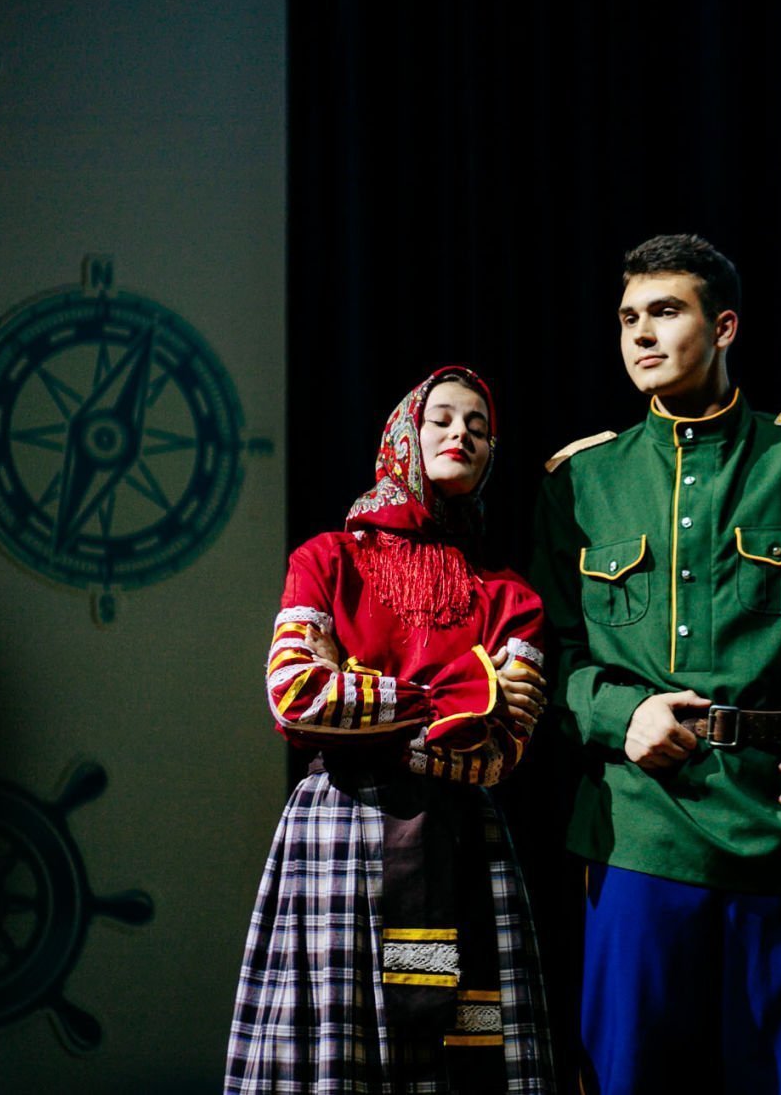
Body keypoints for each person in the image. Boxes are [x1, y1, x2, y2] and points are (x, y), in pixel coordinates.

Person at [529, 234, 781, 1094]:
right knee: (630, 1079)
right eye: (628, 317)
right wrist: (622, 713)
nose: (640, 334)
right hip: (639, 830)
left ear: (724, 326)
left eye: (665, 312)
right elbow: (547, 653)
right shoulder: (581, 479)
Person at [226, 367, 556, 1094]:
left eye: (478, 427)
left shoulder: (512, 594)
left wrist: (365, 699)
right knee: (341, 1047)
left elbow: (498, 752)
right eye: (442, 419)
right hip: (343, 829)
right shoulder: (327, 559)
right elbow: (296, 697)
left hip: (458, 842)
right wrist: (459, 693)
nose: (461, 434)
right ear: (404, 434)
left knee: (457, 1041)